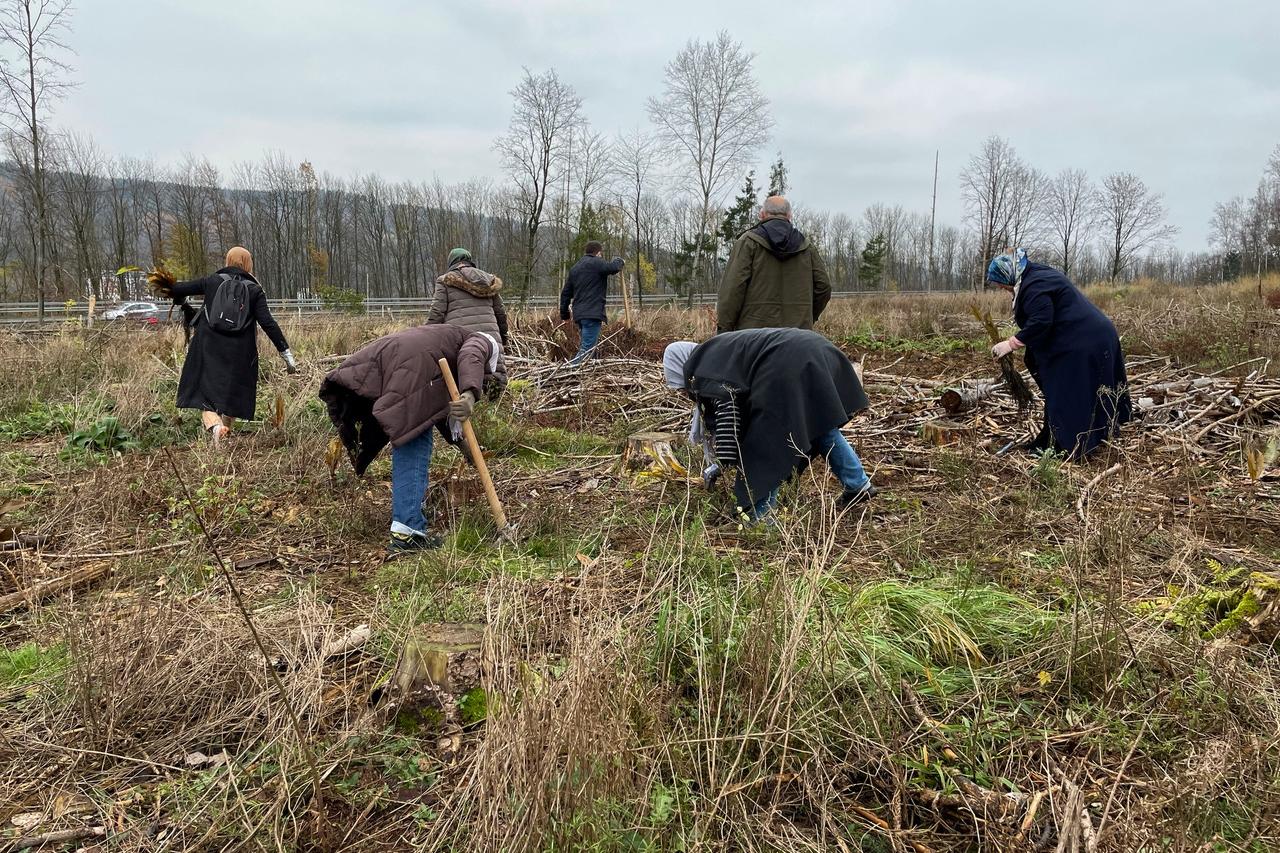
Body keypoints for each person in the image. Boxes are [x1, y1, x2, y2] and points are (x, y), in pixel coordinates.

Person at [318, 325, 501, 552]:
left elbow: (436, 413)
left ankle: (406, 523)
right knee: (414, 439)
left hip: (399, 362)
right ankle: (407, 530)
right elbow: (471, 355)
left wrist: (464, 447)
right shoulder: (484, 342)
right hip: (412, 368)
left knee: (413, 430)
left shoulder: (445, 340)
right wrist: (471, 394)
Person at [662, 328, 875, 522]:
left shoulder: (705, 371)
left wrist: (721, 465)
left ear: (682, 368)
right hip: (816, 349)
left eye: (682, 386)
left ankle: (761, 517)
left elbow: (731, 426)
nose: (685, 392)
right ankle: (857, 484)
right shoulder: (717, 355)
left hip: (790, 362)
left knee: (767, 439)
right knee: (817, 423)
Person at [987, 249, 1132, 458]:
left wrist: (1011, 344)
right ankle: (1055, 440)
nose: (999, 286)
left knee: (1069, 394)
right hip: (1090, 337)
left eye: (999, 281)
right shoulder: (1034, 275)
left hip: (1084, 342)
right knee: (1070, 393)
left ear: (1008, 273)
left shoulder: (1034, 284)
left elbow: (1041, 321)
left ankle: (1071, 447)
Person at [152, 246, 296, 443]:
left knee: (204, 394)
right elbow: (268, 322)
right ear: (248, 263)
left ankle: (216, 427)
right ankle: (224, 430)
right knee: (233, 394)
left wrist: (171, 290)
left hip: (208, 346)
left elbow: (175, 289)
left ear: (228, 261)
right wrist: (285, 352)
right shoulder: (254, 290)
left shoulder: (211, 281)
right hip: (241, 352)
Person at [717, 196, 832, 334]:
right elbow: (824, 286)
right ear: (789, 215)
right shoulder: (806, 247)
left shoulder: (748, 242)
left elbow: (732, 290)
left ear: (762, 214)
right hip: (798, 336)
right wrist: (806, 317)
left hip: (753, 336)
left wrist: (724, 331)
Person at [428, 247, 510, 393]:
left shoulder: (445, 281)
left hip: (461, 344)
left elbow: (436, 314)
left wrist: (426, 341)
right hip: (492, 343)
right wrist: (503, 339)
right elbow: (501, 315)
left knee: (464, 387)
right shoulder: (489, 281)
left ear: (451, 263)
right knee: (495, 392)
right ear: (469, 261)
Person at [559, 240, 624, 364]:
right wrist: (619, 261)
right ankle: (569, 371)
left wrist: (565, 315)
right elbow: (614, 268)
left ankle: (585, 376)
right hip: (592, 314)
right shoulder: (597, 263)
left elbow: (565, 293)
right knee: (587, 349)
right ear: (599, 253)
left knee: (589, 347)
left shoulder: (575, 268)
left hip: (580, 315)